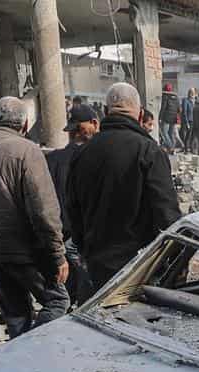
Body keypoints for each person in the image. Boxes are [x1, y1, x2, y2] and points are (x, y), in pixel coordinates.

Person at [0, 97, 69, 338]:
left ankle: (23, 363)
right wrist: (57, 254)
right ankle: (33, 349)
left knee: (16, 312)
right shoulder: (28, 151)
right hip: (21, 250)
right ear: (25, 124)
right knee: (58, 302)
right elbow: (43, 210)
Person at [67, 83, 180, 290]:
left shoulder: (82, 153)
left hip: (97, 264)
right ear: (139, 115)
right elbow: (167, 214)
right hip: (139, 266)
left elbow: (73, 210)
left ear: (106, 111)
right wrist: (175, 265)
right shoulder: (149, 151)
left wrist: (84, 249)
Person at [46, 104, 99, 301]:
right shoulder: (93, 157)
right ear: (93, 124)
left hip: (60, 233)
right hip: (84, 235)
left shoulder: (53, 159)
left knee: (68, 292)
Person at [159, 82, 180, 151]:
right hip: (174, 118)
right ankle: (172, 147)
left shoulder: (165, 97)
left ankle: (171, 147)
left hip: (166, 118)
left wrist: (160, 117)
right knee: (171, 133)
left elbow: (163, 107)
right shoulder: (176, 97)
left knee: (164, 133)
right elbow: (178, 109)